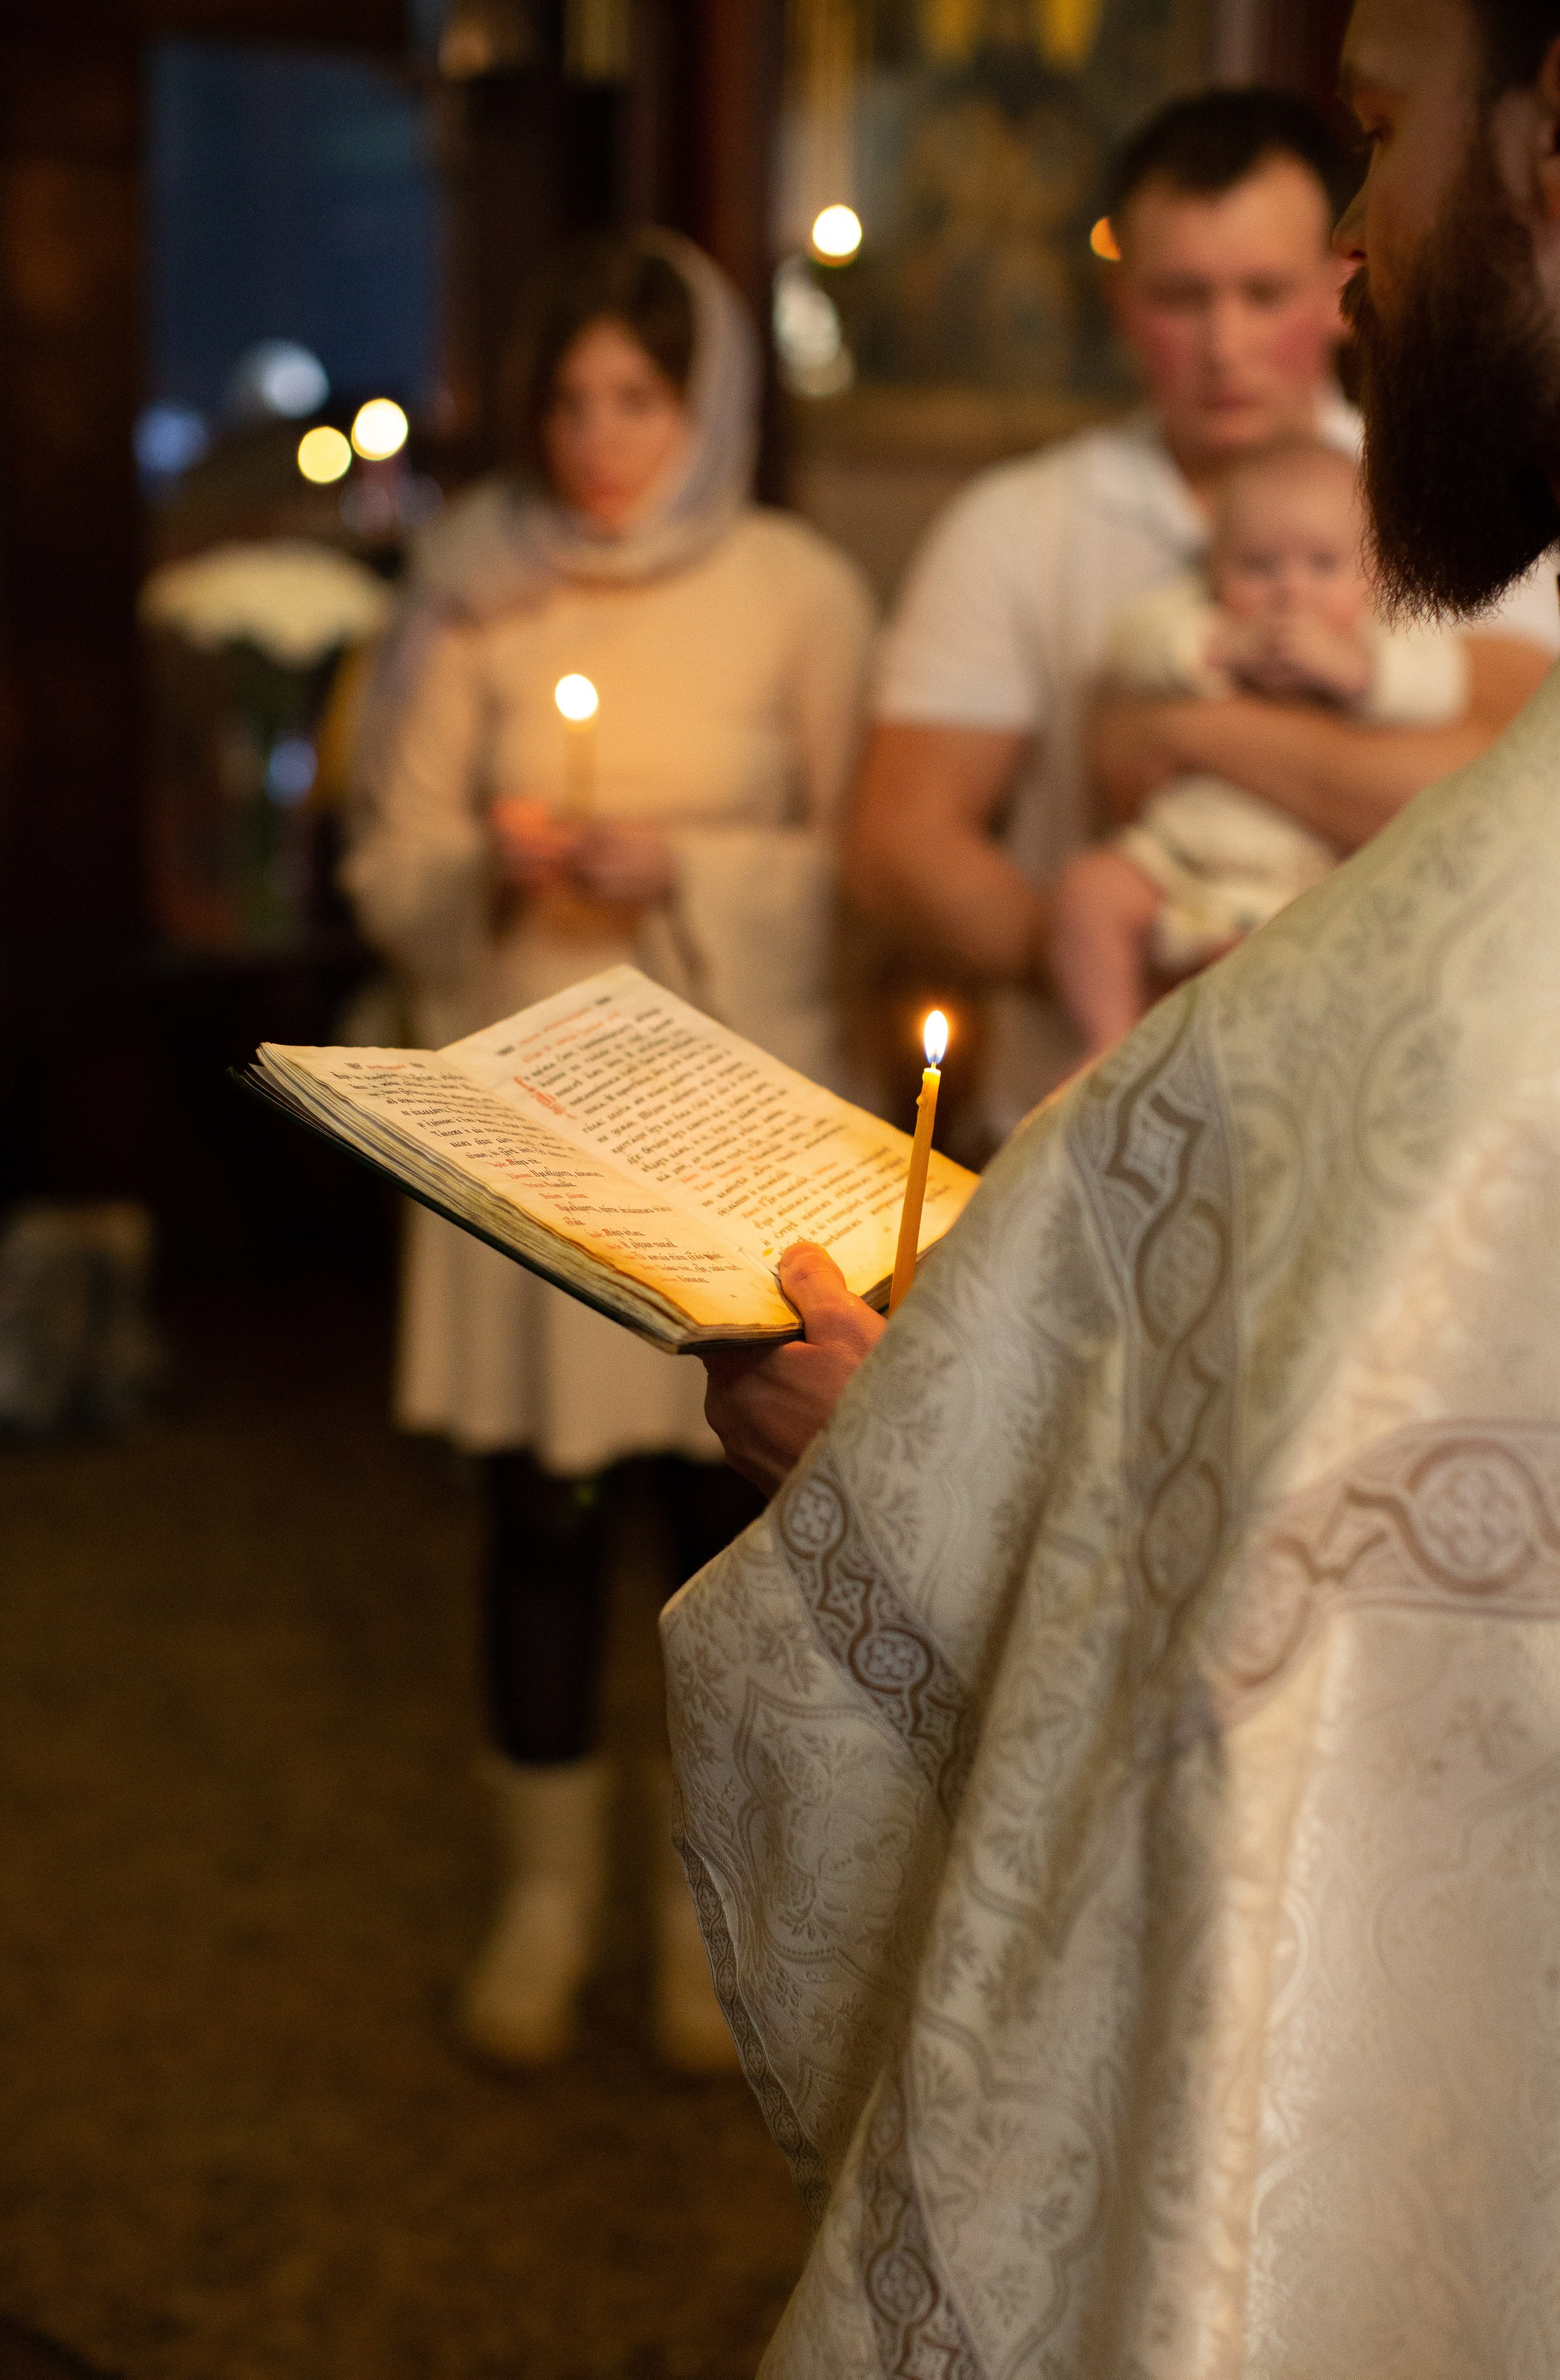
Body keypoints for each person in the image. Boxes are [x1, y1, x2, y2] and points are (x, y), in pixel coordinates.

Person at [665, 3, 1560, 2365]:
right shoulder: (1029, 543)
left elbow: (1296, 1652)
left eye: (1375, 140)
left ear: (1551, 149)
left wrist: (898, 1465)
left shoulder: (1438, 994)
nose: (1350, 264)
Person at [342, 230, 875, 2074]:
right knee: (539, 1518)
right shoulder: (475, 587)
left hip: (732, 1128)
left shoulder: (797, 590)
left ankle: (693, 1905)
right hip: (531, 1125)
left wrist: (693, 870)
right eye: (565, 400)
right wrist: (486, 865)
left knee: (722, 1527)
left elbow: (851, 861)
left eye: (634, 399)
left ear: (703, 400)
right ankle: (546, 1893)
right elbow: (384, 858)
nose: (596, 440)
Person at [844, 86, 1558, 1140]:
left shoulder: (1454, 494)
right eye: (1183, 297)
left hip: (1359, 1119)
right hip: (1083, 1123)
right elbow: (900, 843)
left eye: (1264, 292)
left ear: (1336, 284)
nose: (1226, 343)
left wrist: (1178, 732)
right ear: (1124, 300)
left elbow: (1509, 790)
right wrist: (1120, 958)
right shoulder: (1016, 523)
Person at [1051, 436, 1468, 1056]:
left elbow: (1442, 685)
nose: (1290, 592)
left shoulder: (1385, 635)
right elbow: (1130, 645)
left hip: (1301, 883)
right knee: (1088, 891)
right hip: (1178, 860)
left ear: (1375, 574)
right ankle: (1105, 1046)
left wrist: (1358, 673)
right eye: (1258, 567)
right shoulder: (1199, 615)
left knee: (1339, 959)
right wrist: (1216, 648)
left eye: (1323, 566)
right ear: (1214, 568)